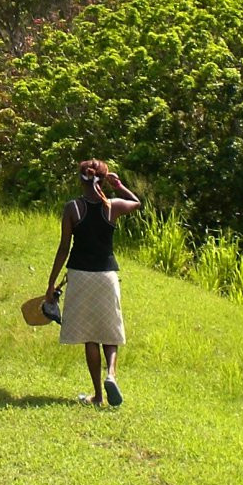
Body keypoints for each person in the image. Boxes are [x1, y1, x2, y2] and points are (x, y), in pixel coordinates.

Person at [45, 158, 141, 406]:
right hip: (106, 276)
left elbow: (64, 247)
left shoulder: (72, 208)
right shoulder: (113, 206)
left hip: (80, 275)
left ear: (81, 179)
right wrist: (118, 185)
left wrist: (51, 283)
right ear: (103, 179)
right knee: (110, 330)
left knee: (91, 336)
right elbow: (137, 203)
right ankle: (111, 374)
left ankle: (98, 395)